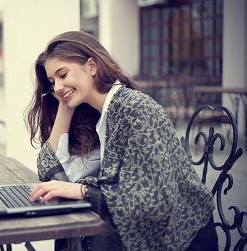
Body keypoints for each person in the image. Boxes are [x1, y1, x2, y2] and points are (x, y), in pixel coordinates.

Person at [25, 31, 218, 251]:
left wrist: (82, 191)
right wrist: (64, 103)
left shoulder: (135, 108)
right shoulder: (98, 115)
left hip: (182, 239)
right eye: (52, 82)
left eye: (63, 74)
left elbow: (155, 199)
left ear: (91, 67)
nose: (57, 87)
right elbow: (50, 166)